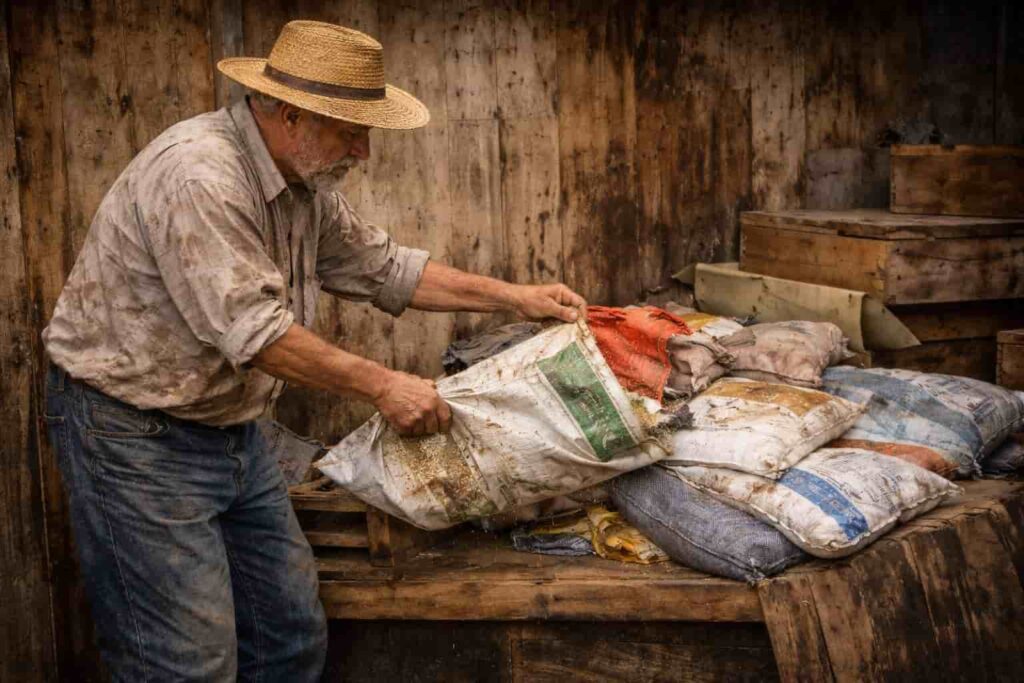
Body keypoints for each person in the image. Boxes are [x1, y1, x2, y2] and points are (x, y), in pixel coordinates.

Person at [42, 20, 585, 682]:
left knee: (288, 633)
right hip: (134, 434)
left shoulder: (303, 183)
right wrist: (386, 385)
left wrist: (515, 297)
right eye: (350, 130)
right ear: (291, 113)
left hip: (232, 428)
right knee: (186, 662)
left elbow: (384, 268)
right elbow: (258, 333)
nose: (363, 150)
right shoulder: (200, 174)